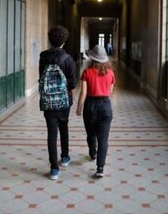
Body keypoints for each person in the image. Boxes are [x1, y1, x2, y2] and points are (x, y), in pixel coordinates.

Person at [39, 26, 77, 180]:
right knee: (64, 127)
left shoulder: (43, 56)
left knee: (51, 133)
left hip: (48, 101)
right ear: (64, 40)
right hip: (63, 101)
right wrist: (71, 99)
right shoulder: (68, 59)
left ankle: (54, 169)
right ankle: (65, 157)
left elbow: (40, 77)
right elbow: (72, 84)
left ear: (50, 40)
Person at [76, 45, 115, 178]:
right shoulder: (110, 73)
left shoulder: (87, 72)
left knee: (91, 133)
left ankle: (93, 153)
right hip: (105, 106)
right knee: (103, 139)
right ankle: (100, 168)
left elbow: (83, 93)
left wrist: (78, 108)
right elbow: (110, 92)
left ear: (92, 58)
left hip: (90, 105)